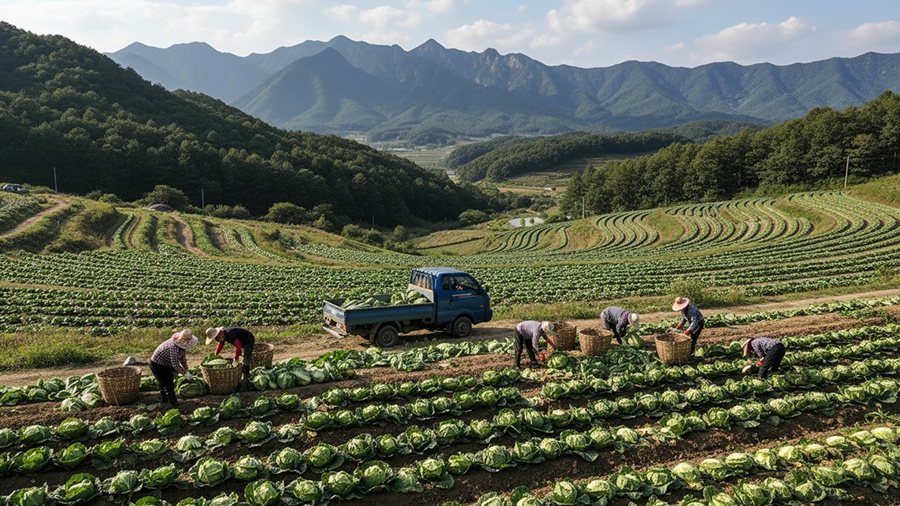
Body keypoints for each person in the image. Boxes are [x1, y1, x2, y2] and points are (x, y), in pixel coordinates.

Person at [150, 329, 197, 406]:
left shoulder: (181, 347)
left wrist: (186, 369)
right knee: (167, 384)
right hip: (157, 365)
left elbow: (182, 359)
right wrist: (184, 374)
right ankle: (173, 403)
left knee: (167, 380)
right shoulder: (173, 347)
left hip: (166, 364)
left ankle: (165, 399)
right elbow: (175, 365)